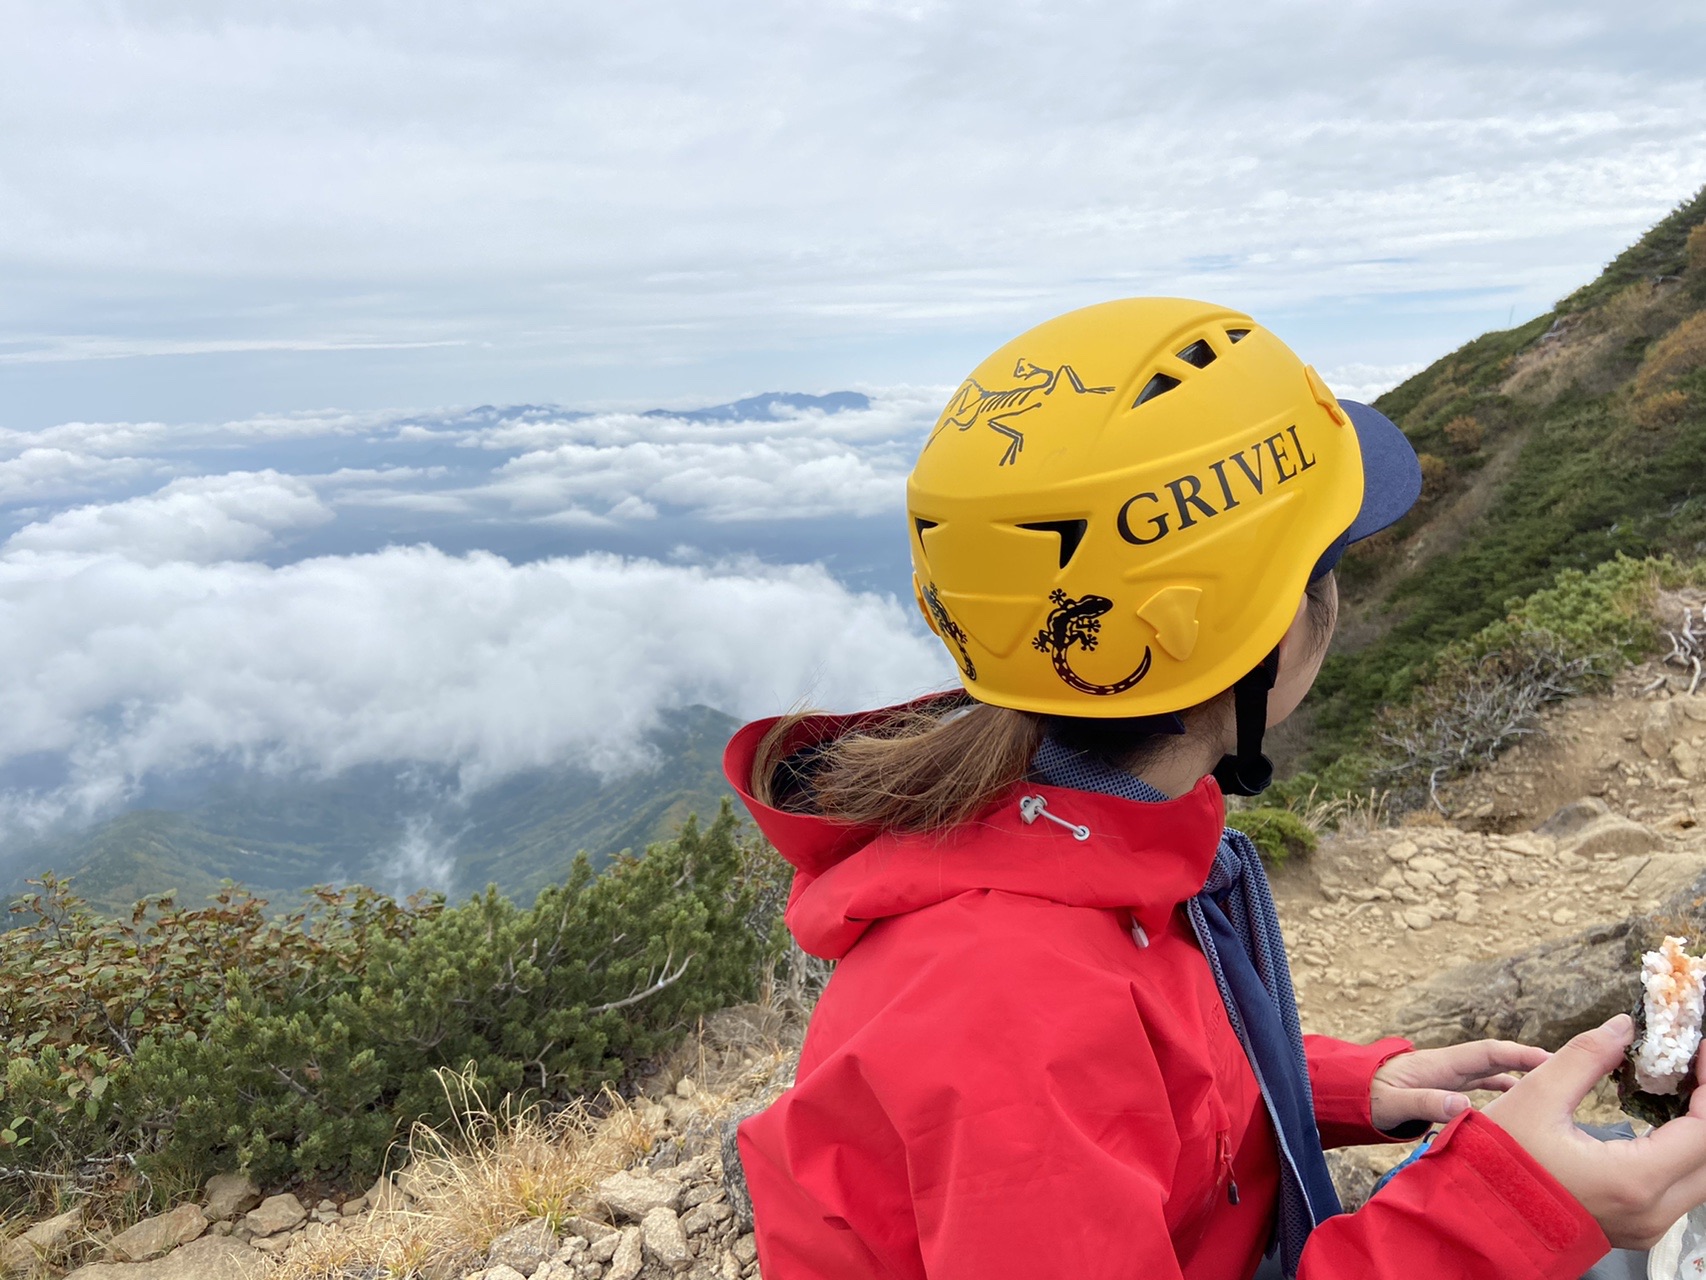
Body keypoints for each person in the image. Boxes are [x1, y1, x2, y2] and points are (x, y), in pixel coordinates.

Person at [722, 299, 1706, 1279]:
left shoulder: (1081, 841)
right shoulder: (1009, 1017)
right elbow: (1055, 1095)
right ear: (1262, 634)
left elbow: (1135, 1101)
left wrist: (1343, 1085)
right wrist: (1509, 1206)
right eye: (1322, 567)